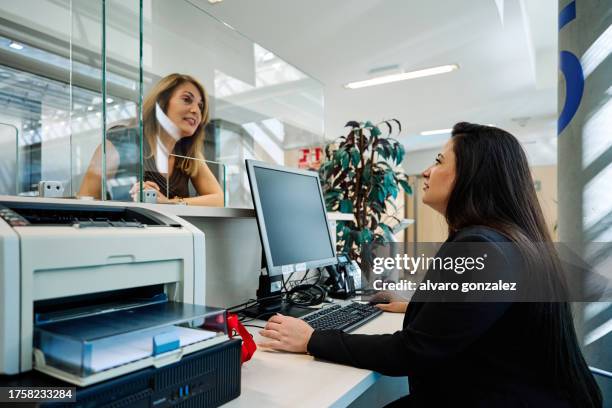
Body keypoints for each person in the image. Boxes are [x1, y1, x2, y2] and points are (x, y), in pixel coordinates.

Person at [258, 122, 602, 407]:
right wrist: (423, 307)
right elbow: (480, 314)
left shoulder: (480, 248)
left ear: (471, 175)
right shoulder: (510, 239)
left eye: (438, 161)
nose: (425, 170)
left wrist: (313, 338)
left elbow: (410, 352)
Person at [79, 73, 224, 206]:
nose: (196, 111)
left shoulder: (188, 153)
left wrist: (170, 203)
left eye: (200, 106)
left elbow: (218, 199)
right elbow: (85, 202)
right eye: (187, 99)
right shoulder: (119, 144)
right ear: (161, 103)